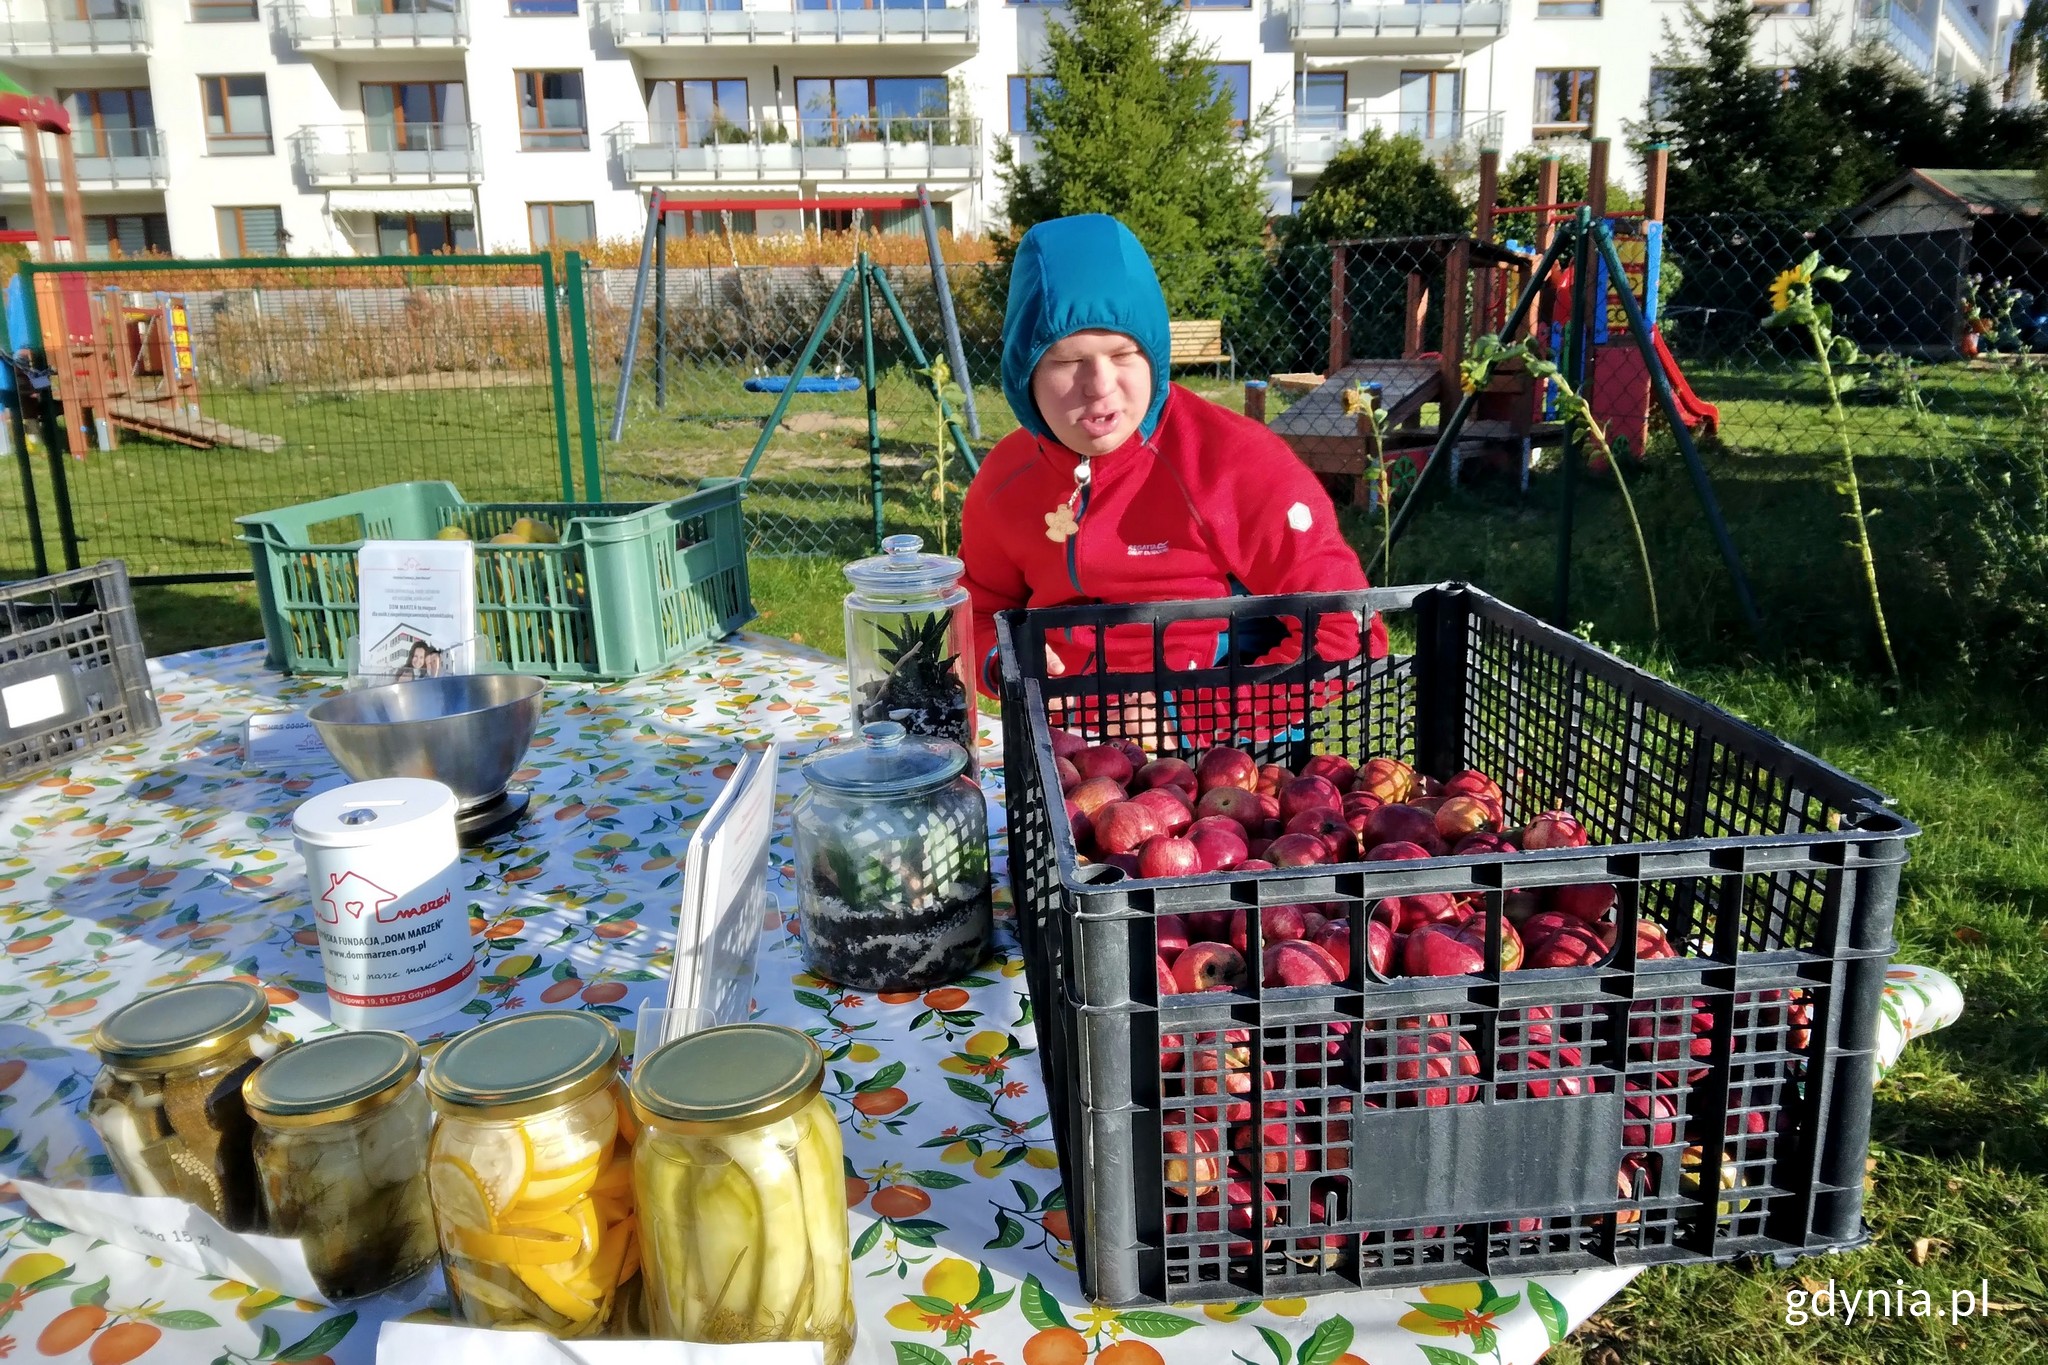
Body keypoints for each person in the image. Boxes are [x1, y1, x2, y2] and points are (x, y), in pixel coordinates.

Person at [959, 214, 1388, 726]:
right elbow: (975, 614)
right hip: (1060, 745)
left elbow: (1347, 625)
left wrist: (1204, 720)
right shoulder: (1005, 482)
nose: (1099, 384)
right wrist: (1000, 662)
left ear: (1155, 356)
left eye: (1123, 353)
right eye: (1066, 361)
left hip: (1214, 760)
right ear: (1023, 374)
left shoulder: (1232, 461)